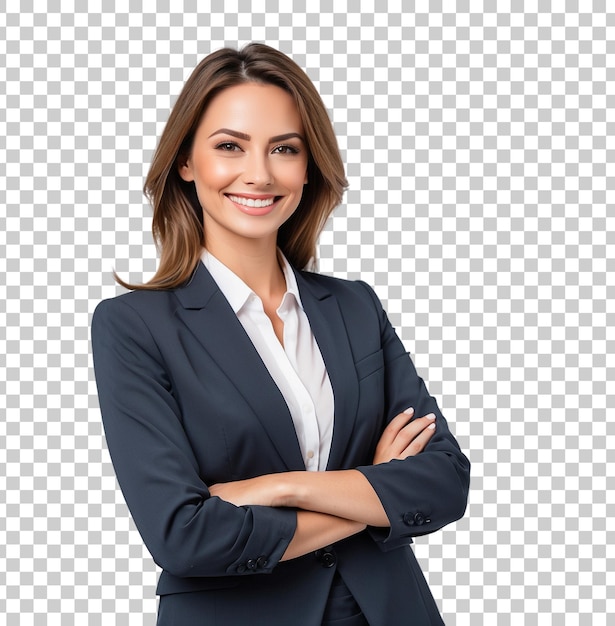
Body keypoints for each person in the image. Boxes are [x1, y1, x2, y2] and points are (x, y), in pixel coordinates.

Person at [91, 43, 470, 626]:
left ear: (308, 165)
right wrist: (372, 495)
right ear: (187, 162)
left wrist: (278, 488)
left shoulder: (354, 307)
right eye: (229, 147)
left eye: (284, 149)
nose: (259, 174)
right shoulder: (133, 327)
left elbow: (443, 481)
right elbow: (183, 534)